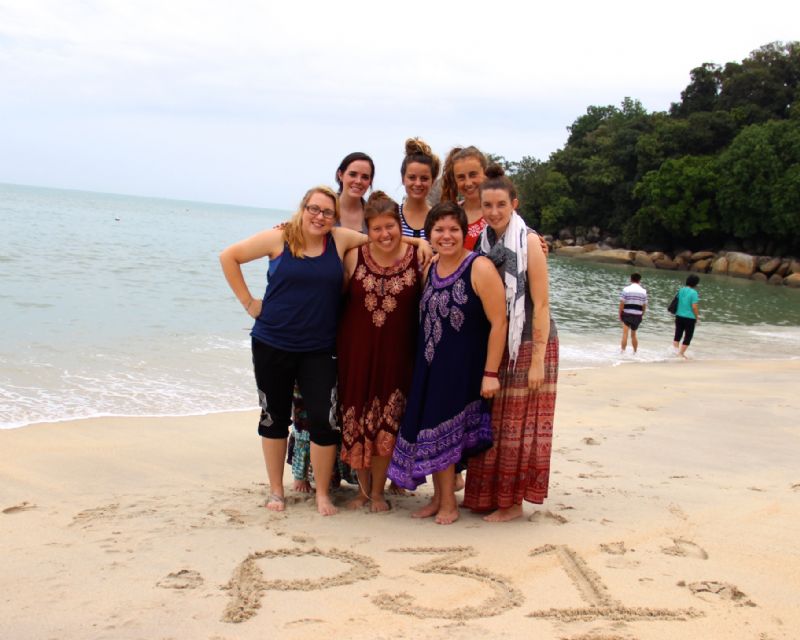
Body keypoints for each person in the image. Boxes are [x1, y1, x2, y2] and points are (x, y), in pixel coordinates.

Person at [219, 186, 431, 516]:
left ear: (335, 217)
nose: (320, 216)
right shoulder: (279, 238)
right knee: (273, 417)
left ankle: (322, 494)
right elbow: (229, 257)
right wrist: (249, 303)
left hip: (319, 347)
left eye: (327, 212)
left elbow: (381, 236)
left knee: (325, 420)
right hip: (272, 341)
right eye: (314, 209)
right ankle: (276, 491)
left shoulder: (339, 239)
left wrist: (419, 243)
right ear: (303, 208)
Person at [387, 202, 507, 525]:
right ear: (430, 234)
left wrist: (490, 373)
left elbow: (499, 322)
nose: (447, 235)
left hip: (462, 368)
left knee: (447, 435)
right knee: (431, 431)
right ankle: (439, 498)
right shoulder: (431, 267)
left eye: (454, 229)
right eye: (439, 229)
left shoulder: (479, 267)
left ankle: (449, 505)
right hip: (430, 366)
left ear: (464, 232)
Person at [463, 165, 559, 523]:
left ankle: (512, 504)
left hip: (531, 341)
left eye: (501, 204)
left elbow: (542, 304)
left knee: (520, 425)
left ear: (514, 203)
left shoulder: (529, 241)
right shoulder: (483, 242)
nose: (494, 212)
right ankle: (486, 495)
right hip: (500, 341)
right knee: (495, 421)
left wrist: (537, 362)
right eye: (487, 205)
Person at [289, 152, 376, 494]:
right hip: (319, 314)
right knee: (306, 395)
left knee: (346, 397)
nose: (358, 181)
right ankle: (302, 471)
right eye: (353, 174)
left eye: (365, 176)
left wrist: (417, 243)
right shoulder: (323, 211)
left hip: (358, 315)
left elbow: (388, 239)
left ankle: (342, 472)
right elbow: (294, 238)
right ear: (340, 174)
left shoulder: (372, 214)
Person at [338, 191, 423, 512]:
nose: (384, 234)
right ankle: (362, 491)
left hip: (398, 356)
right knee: (358, 421)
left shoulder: (418, 258)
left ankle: (377, 493)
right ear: (367, 230)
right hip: (356, 354)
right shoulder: (354, 256)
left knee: (388, 422)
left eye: (390, 226)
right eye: (376, 228)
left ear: (400, 226)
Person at [440, 146, 489, 250]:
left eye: (473, 175)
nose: (468, 183)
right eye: (461, 177)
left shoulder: (499, 213)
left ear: (485, 173)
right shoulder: (448, 214)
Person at [398, 138, 440, 239]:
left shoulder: (439, 218)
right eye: (412, 177)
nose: (418, 183)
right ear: (403, 179)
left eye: (424, 178)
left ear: (432, 181)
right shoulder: (392, 216)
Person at [619, 273, 648, 353]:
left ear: (631, 279)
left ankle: (623, 352)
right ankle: (635, 352)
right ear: (639, 280)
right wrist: (642, 314)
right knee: (633, 334)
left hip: (627, 314)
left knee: (625, 334)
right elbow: (644, 305)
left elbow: (622, 303)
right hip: (637, 315)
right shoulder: (643, 291)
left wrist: (620, 313)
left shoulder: (626, 289)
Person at [673, 274, 700, 359]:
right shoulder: (694, 293)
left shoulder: (681, 290)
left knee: (677, 335)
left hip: (679, 316)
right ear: (696, 283)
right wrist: (697, 317)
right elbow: (694, 307)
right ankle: (681, 354)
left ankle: (676, 353)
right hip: (690, 318)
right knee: (688, 336)